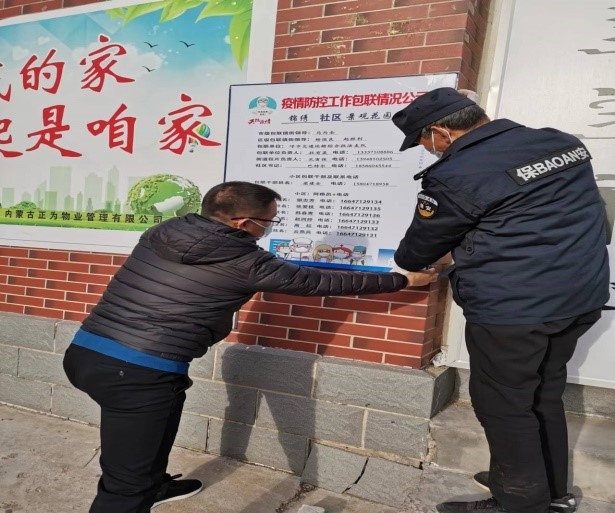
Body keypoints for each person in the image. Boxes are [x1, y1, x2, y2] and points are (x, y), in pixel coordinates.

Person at [62, 180, 437, 513]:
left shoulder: (165, 231)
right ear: (243, 223)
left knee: (154, 432)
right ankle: (137, 492)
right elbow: (319, 282)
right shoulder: (245, 261)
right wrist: (402, 281)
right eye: (268, 221)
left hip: (87, 352)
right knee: (124, 486)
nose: (269, 227)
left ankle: (154, 486)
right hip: (137, 373)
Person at [391, 88, 609, 513]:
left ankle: (520, 502)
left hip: (514, 311)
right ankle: (547, 489)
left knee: (504, 406)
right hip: (580, 295)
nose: (427, 150)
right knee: (542, 395)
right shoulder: (559, 141)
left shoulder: (457, 173)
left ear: (441, 132)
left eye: (422, 141)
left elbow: (416, 253)